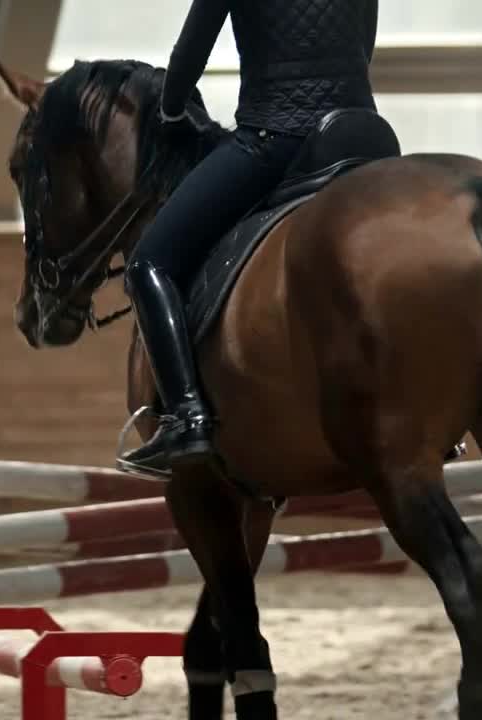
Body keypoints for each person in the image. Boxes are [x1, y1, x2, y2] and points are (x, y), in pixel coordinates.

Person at [118, 0, 380, 476]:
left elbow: (192, 51)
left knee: (148, 264)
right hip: (362, 134)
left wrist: (173, 111)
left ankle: (186, 417)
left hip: (276, 134)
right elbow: (365, 42)